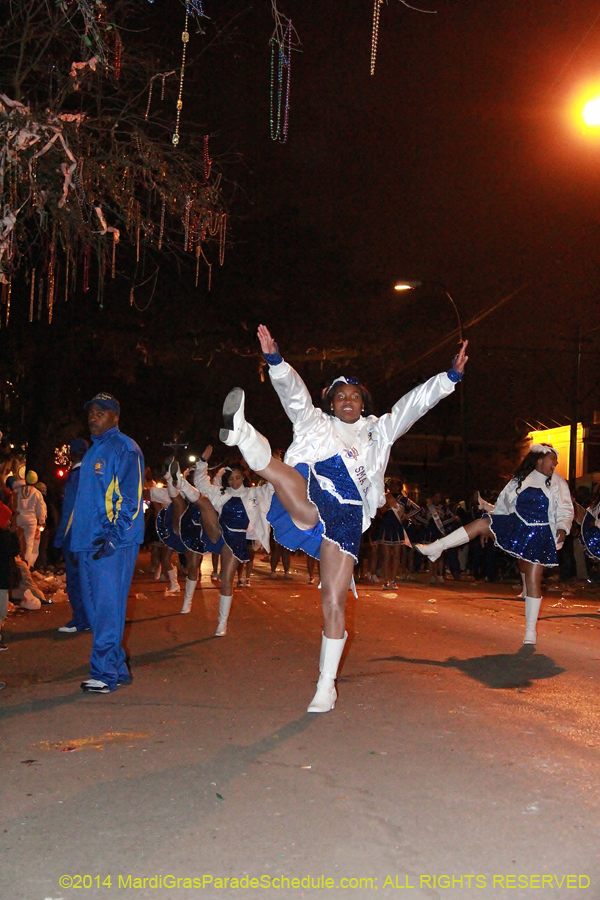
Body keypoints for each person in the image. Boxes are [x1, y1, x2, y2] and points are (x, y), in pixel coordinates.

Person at [219, 323, 468, 712]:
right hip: (311, 494)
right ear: (332, 403)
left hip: (349, 517)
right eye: (340, 396)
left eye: (354, 396)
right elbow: (296, 398)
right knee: (283, 474)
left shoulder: (379, 431)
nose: (348, 401)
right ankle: (242, 434)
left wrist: (449, 378)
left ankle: (326, 684)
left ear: (362, 403)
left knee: (332, 598)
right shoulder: (315, 424)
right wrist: (276, 361)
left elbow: (413, 404)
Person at [416, 443, 573, 645]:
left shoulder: (558, 482)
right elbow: (502, 506)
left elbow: (566, 509)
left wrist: (562, 527)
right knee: (482, 522)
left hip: (540, 533)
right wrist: (493, 529)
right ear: (540, 458)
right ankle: (437, 547)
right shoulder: (519, 480)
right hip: (517, 525)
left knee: (533, 578)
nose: (556, 463)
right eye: (553, 459)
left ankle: (530, 631)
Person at [69, 393, 144, 693]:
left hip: (112, 542)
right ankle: (117, 667)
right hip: (87, 543)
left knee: (107, 608)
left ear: (115, 417)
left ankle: (103, 673)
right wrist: (76, 543)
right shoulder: (92, 451)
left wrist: (114, 537)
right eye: (91, 412)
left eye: (101, 412)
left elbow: (131, 500)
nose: (93, 417)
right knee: (96, 609)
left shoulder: (125, 448)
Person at [192, 449, 272, 634]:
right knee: (226, 579)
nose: (234, 482)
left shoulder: (255, 493)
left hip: (237, 539)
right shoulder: (221, 493)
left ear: (243, 477)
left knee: (227, 579)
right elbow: (200, 483)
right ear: (226, 480)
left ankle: (222, 621)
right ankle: (222, 622)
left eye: (237, 477)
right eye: (231, 479)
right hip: (221, 534)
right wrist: (203, 460)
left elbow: (275, 485)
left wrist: (264, 462)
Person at [54, 439, 91, 634]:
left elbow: (70, 510)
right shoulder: (94, 473)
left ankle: (80, 620)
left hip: (75, 536)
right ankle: (91, 618)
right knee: (90, 579)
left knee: (76, 581)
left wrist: (60, 537)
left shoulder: (76, 476)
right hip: (92, 535)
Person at [15, 470, 46, 568]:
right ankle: (26, 566)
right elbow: (40, 509)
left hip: (19, 518)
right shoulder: (37, 493)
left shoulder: (19, 491)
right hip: (31, 521)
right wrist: (42, 521)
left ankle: (16, 562)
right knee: (29, 543)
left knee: (18, 541)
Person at [0, 501, 20, 650]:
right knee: (1, 610)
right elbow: (14, 550)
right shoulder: (5, 537)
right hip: (2, 580)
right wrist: (13, 535)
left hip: (3, 579)